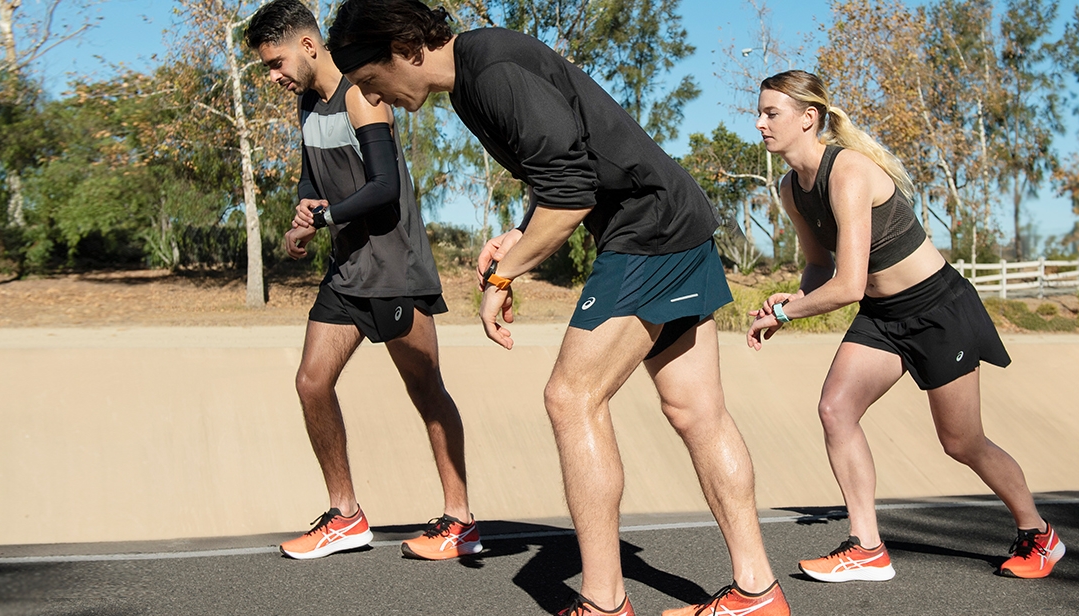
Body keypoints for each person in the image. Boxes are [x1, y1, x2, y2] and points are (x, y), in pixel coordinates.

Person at [327, 2, 790, 615]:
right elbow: (558, 173)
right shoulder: (473, 77)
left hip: (647, 229)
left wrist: (503, 274)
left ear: (405, 49)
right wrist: (517, 237)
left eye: (368, 80)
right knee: (695, 411)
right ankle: (757, 593)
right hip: (672, 220)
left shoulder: (490, 71)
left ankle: (602, 602)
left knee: (571, 398)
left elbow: (571, 195)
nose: (372, 95)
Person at [744, 70, 1064, 582]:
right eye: (758, 113)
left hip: (939, 310)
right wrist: (798, 298)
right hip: (883, 316)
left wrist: (786, 313)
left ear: (809, 119)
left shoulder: (847, 171)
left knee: (962, 442)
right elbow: (821, 266)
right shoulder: (790, 188)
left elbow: (847, 285)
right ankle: (866, 547)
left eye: (770, 113)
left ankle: (1039, 535)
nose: (759, 123)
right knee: (835, 409)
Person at [244, 0, 480, 562]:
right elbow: (312, 176)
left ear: (307, 45)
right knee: (311, 382)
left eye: (276, 62)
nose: (273, 76)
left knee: (426, 391)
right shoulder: (306, 101)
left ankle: (461, 521)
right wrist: (304, 219)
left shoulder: (363, 91)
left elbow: (383, 188)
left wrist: (327, 216)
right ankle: (345, 515)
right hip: (347, 270)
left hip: (394, 268)